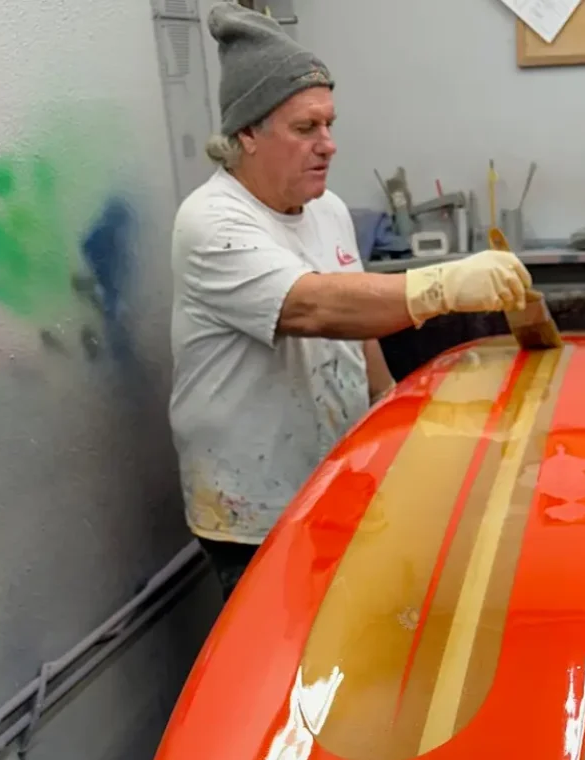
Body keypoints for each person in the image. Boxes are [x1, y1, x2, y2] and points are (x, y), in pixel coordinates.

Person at [170, 3, 534, 598]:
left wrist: (389, 402)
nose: (329, 145)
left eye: (329, 124)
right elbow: (315, 308)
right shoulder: (212, 222)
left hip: (335, 480)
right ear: (247, 135)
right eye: (305, 128)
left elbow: (356, 323)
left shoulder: (327, 210)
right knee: (279, 661)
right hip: (253, 507)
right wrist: (442, 287)